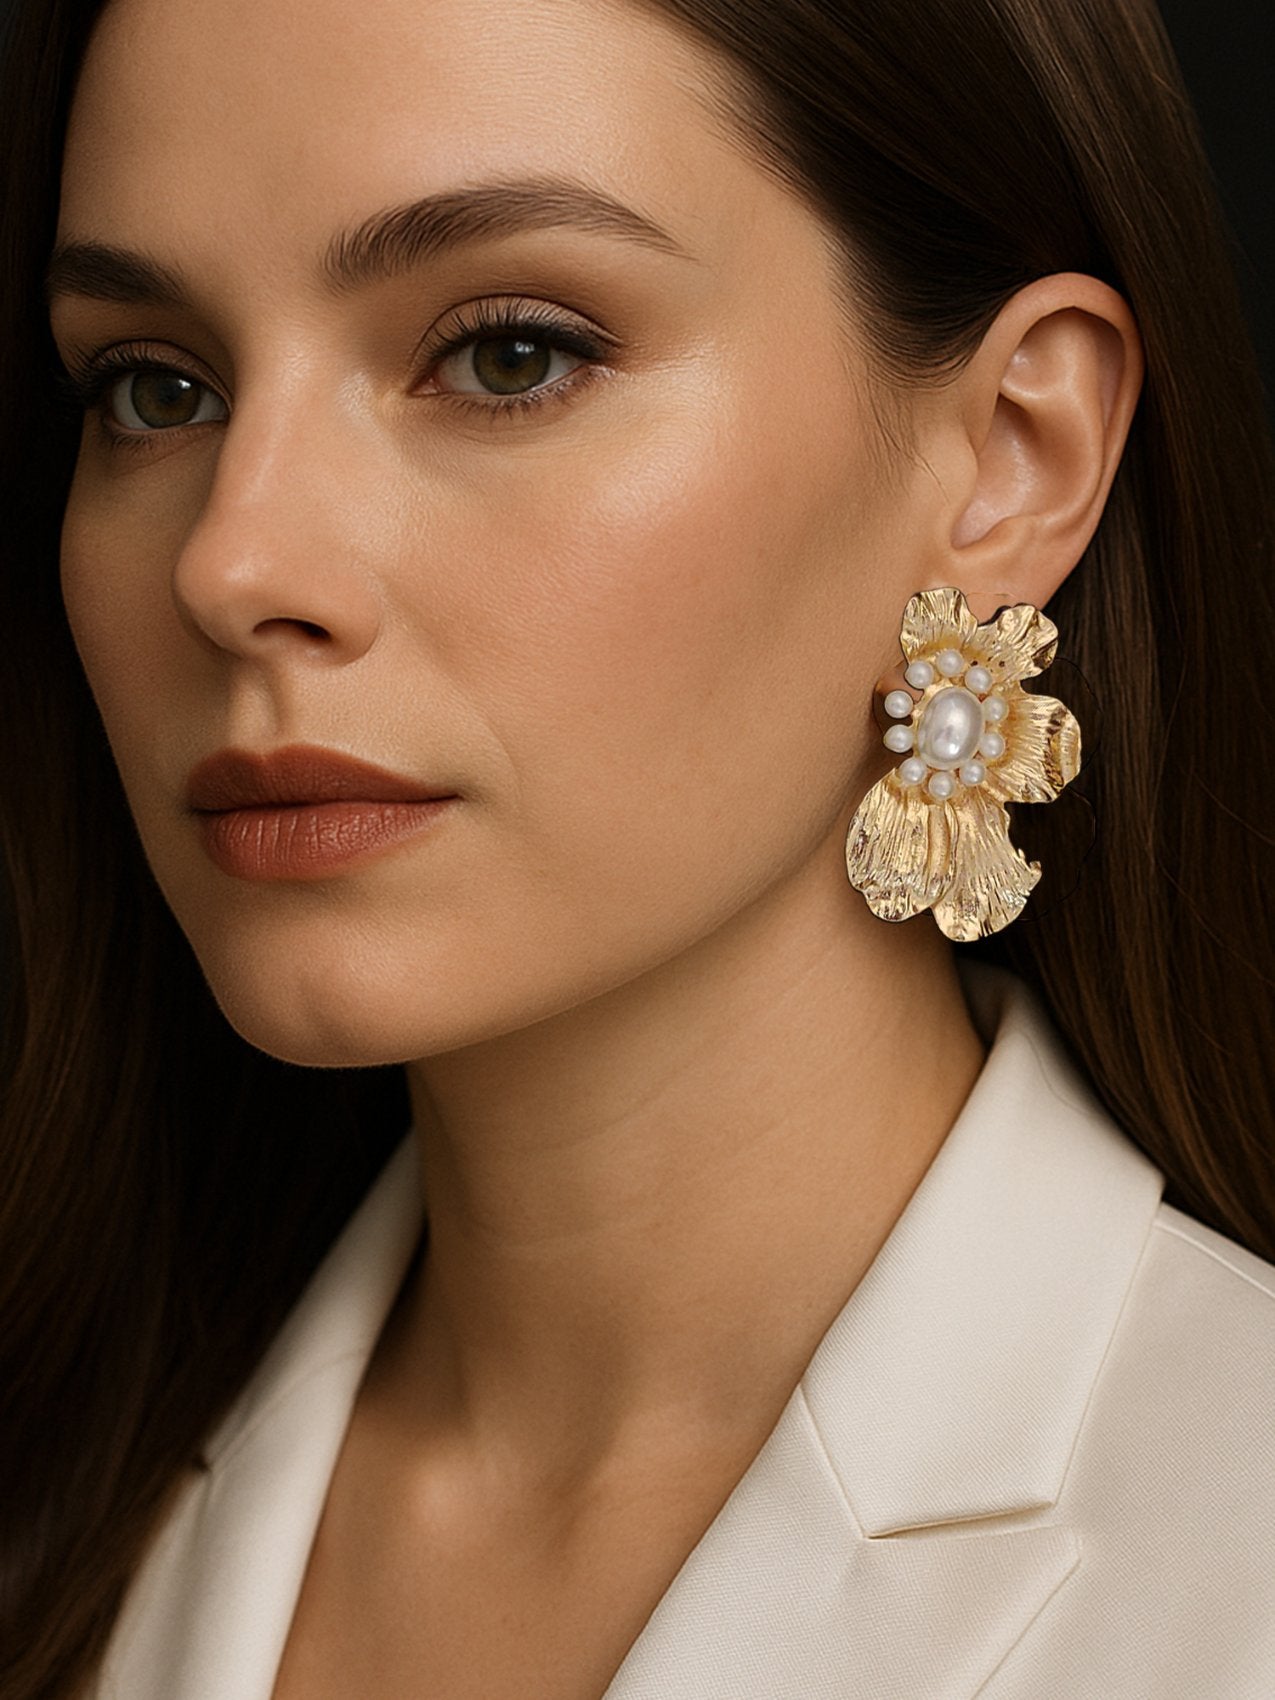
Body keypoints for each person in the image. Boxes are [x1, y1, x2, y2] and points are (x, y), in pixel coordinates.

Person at [1, 0, 1272, 1695]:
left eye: (509, 353)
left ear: (1010, 458)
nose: (233, 562)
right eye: (154, 388)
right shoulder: (57, 1494)